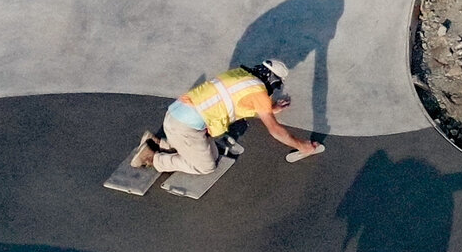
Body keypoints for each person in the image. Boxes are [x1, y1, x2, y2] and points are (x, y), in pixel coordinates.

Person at [131, 60, 323, 175]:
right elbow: (276, 130)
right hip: (185, 129)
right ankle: (154, 158)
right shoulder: (259, 94)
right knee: (206, 167)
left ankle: (157, 142)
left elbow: (238, 100)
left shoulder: (240, 75)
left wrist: (270, 108)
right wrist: (302, 146)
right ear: (273, 81)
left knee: (213, 155)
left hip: (175, 114)